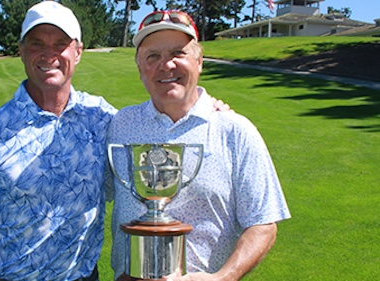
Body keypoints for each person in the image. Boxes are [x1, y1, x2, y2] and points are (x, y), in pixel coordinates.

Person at [107, 10, 291, 281]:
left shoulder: (234, 130)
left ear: (199, 61)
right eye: (153, 56)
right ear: (139, 67)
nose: (166, 65)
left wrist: (223, 277)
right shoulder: (119, 124)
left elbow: (263, 223)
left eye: (178, 53)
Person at [0, 2, 114, 280]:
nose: (49, 54)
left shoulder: (101, 118)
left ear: (78, 52)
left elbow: (150, 130)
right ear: (22, 52)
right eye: (37, 44)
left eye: (61, 43)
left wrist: (207, 104)